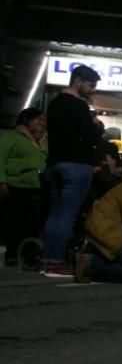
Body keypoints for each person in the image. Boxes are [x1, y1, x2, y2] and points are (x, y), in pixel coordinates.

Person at [40, 64, 105, 277]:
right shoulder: (78, 106)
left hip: (56, 163)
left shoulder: (55, 102)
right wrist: (96, 125)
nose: (92, 90)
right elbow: (91, 137)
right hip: (76, 165)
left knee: (56, 213)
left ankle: (47, 259)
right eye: (90, 85)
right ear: (77, 82)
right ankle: (57, 261)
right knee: (67, 215)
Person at [0, 108, 48, 265]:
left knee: (32, 223)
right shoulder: (11, 137)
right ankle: (12, 254)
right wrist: (2, 181)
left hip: (37, 186)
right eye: (37, 119)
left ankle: (29, 254)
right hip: (16, 185)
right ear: (26, 120)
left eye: (42, 119)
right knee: (14, 222)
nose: (41, 122)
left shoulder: (44, 140)